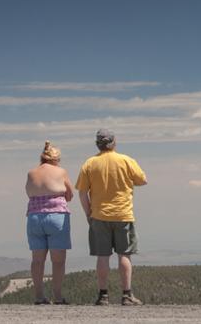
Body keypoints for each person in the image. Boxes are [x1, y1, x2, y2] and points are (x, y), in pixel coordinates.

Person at [75, 129, 147, 306]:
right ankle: (127, 295)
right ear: (114, 142)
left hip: (99, 216)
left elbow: (83, 193)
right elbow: (142, 180)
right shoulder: (126, 160)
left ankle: (103, 295)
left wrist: (89, 214)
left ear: (98, 144)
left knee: (102, 256)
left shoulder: (90, 163)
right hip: (123, 215)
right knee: (125, 255)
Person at [25, 141, 73, 305]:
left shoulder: (31, 173)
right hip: (56, 216)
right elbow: (70, 194)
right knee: (58, 260)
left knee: (37, 260)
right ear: (56, 159)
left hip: (34, 217)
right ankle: (58, 297)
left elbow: (29, 192)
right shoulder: (61, 171)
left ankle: (39, 296)